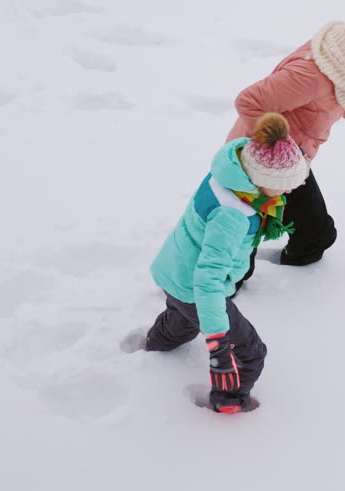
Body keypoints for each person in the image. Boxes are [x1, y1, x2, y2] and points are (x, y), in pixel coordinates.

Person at [130, 112, 309, 413]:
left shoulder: (232, 172)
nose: (290, 191)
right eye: (286, 184)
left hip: (175, 270)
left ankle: (155, 343)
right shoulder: (233, 214)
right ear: (264, 180)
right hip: (197, 287)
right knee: (249, 353)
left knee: (181, 321)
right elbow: (208, 279)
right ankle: (229, 401)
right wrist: (218, 342)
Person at [226, 0, 345, 268]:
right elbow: (248, 101)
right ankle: (204, 292)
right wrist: (277, 146)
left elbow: (339, 95)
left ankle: (298, 277)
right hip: (256, 160)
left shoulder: (343, 64)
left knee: (315, 234)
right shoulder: (311, 74)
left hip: (293, 159)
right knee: (236, 241)